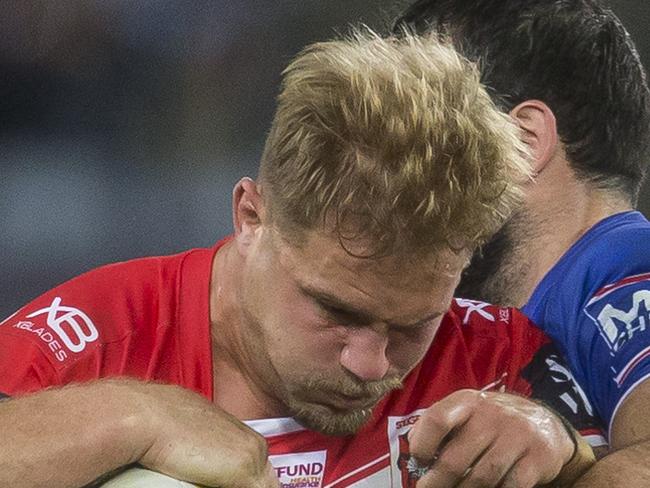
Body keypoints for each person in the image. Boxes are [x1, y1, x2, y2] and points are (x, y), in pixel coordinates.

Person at [0, 31, 599, 488]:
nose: (369, 365)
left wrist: (565, 450)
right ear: (251, 219)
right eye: (335, 308)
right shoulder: (99, 337)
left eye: (413, 322)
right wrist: (134, 412)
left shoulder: (502, 364)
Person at [393, 0, 650, 484]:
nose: (399, 170)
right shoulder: (486, 323)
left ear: (521, 143)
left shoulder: (623, 266)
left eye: (428, 129)